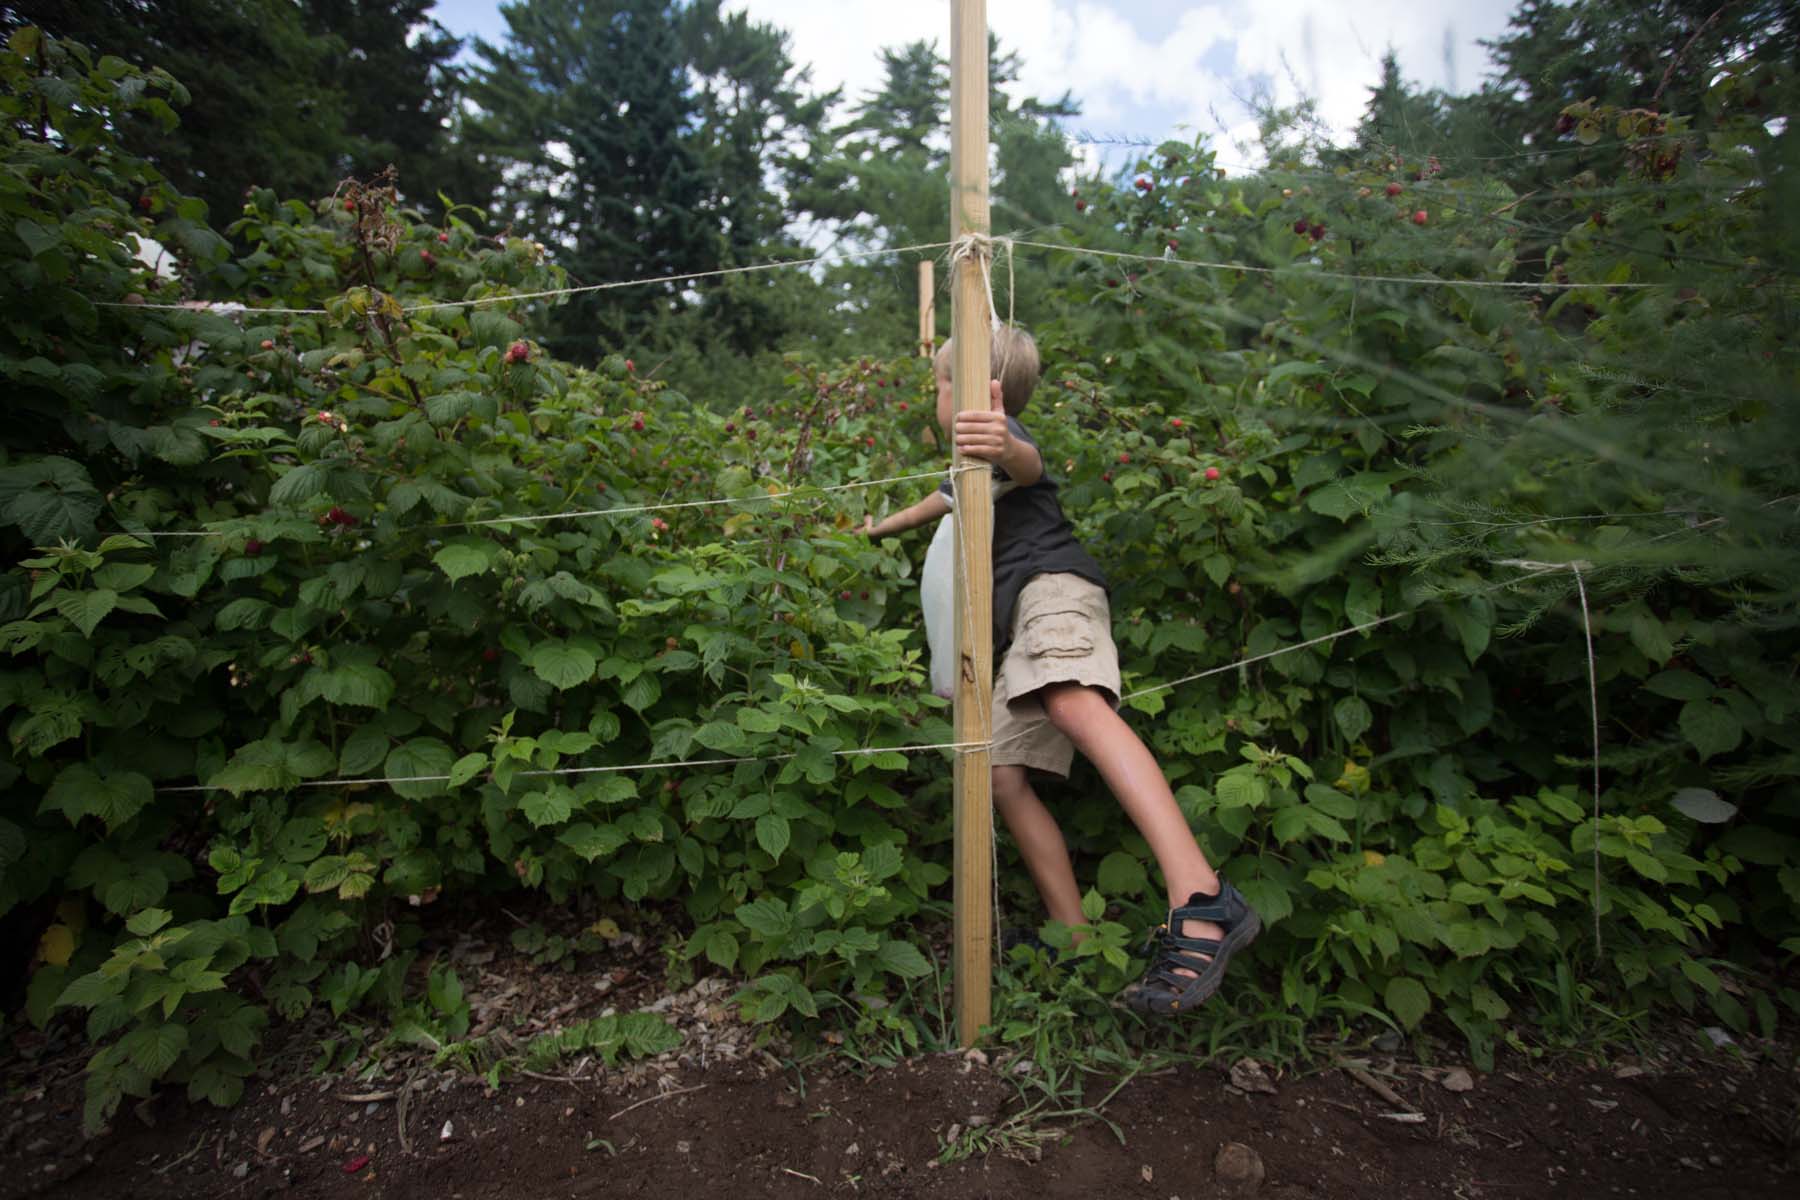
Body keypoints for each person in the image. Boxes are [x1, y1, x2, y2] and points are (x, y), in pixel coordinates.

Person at [860, 326, 1260, 1014]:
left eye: (937, 385)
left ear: (964, 393)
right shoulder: (967, 467)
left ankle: (1201, 898)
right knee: (1002, 776)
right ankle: (1075, 936)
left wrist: (1002, 438)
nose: (937, 398)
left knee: (1074, 703)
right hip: (1019, 624)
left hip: (1052, 592)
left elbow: (1026, 461)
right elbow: (944, 501)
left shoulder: (995, 438)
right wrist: (876, 529)